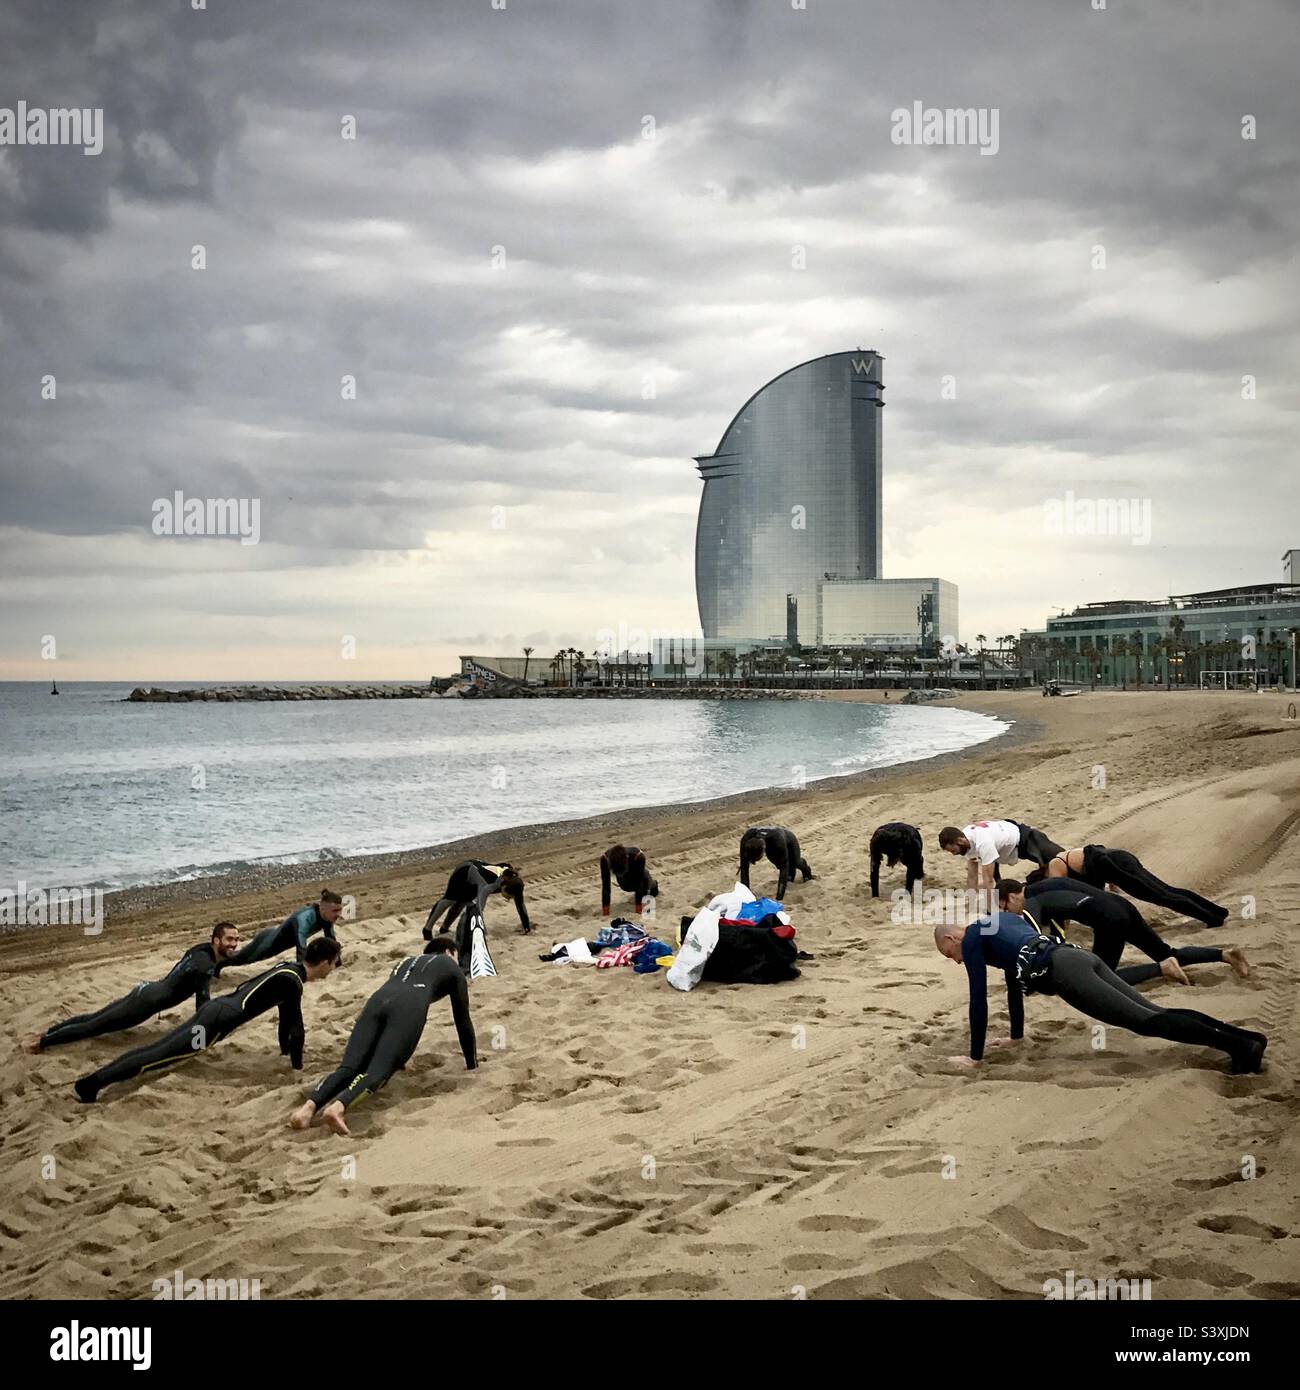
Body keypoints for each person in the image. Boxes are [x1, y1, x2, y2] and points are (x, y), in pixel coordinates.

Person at [933, 911, 1265, 1075]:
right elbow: (1012, 985)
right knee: (1153, 1011)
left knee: (1146, 1021)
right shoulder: (999, 921)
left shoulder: (973, 939)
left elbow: (978, 999)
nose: (956, 961)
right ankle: (1245, 1039)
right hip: (1080, 956)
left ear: (952, 939)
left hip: (1065, 973)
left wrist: (974, 1058)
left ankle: (1240, 1047)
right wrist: (1016, 1038)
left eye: (951, 956)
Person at [73, 938, 341, 1103]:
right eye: (334, 964)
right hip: (216, 1022)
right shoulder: (293, 983)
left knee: (158, 1050)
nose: (334, 970)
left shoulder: (288, 970)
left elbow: (286, 1020)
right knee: (159, 1056)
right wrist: (297, 1066)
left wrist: (285, 1053)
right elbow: (296, 1026)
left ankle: (94, 1081)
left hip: (216, 1009)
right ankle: (93, 1084)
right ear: (325, 962)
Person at [290, 935, 477, 1136]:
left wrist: (399, 1056)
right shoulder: (451, 966)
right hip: (408, 1006)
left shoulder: (405, 962)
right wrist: (471, 1062)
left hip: (378, 1001)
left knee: (349, 1067)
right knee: (378, 1071)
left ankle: (306, 1110)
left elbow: (392, 1009)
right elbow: (462, 1020)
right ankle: (338, 1108)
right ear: (450, 952)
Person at [22, 922, 242, 1053]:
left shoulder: (201, 950)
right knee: (96, 1026)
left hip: (146, 989)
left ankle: (48, 1032)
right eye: (229, 939)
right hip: (147, 1003)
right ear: (215, 940)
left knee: (95, 1017)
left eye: (237, 940)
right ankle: (43, 1042)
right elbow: (202, 1007)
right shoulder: (205, 967)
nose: (234, 944)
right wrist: (200, 1040)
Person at [1007, 878, 1249, 986]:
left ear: (1013, 896)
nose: (1010, 911)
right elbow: (1057, 933)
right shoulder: (1047, 886)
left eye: (1005, 906)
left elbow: (1034, 940)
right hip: (1122, 907)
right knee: (1165, 951)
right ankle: (1224, 955)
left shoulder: (1030, 901)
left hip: (1109, 919)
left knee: (1101, 977)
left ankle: (1162, 970)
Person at [1032, 846, 1229, 927]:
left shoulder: (1055, 866)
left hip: (1115, 864)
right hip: (1118, 859)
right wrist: (1111, 880)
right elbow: (1093, 855)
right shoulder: (1065, 861)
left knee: (1162, 896)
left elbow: (1060, 898)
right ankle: (1216, 911)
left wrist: (1061, 928)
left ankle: (1212, 917)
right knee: (1167, 891)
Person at [421, 861, 530, 973]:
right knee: (450, 899)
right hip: (465, 870)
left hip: (476, 878)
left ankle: (444, 928)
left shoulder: (514, 882)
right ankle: (427, 929)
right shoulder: (489, 885)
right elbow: (479, 908)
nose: (508, 899)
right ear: (504, 886)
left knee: (463, 901)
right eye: (508, 896)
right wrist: (482, 931)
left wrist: (526, 926)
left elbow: (520, 905)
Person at [218, 890, 344, 970]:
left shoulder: (327, 918)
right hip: (268, 942)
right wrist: (302, 971)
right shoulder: (304, 917)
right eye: (335, 911)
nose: (339, 914)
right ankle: (215, 961)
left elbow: (331, 941)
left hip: (275, 941)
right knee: (241, 959)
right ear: (323, 908)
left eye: (340, 910)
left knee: (241, 958)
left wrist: (338, 964)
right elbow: (301, 947)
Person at [938, 819, 1064, 892]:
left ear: (960, 841)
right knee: (998, 884)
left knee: (1061, 860)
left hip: (1025, 838)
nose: (954, 854)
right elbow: (972, 877)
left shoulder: (982, 842)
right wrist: (972, 902)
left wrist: (990, 910)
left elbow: (987, 881)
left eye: (953, 850)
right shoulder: (966, 842)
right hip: (1002, 847)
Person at [738, 827, 813, 900]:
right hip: (770, 842)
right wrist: (745, 895)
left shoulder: (777, 840)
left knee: (795, 862)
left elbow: (784, 868)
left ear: (763, 851)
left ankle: (806, 870)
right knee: (781, 867)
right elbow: (744, 868)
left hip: (788, 839)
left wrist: (779, 897)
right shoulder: (746, 839)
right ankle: (791, 875)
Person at [869, 822, 924, 898]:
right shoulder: (877, 840)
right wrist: (875, 895)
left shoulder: (911, 842)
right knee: (875, 862)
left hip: (911, 836)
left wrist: (908, 893)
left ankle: (919, 874)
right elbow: (873, 867)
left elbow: (911, 869)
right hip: (889, 836)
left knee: (915, 865)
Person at [600, 844, 658, 915]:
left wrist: (639, 909)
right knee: (628, 886)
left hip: (638, 874)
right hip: (624, 880)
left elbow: (639, 884)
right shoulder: (605, 859)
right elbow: (606, 886)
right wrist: (605, 913)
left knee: (645, 877)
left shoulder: (638, 856)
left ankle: (654, 885)